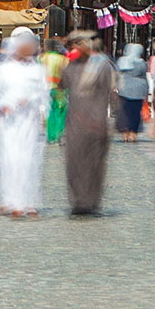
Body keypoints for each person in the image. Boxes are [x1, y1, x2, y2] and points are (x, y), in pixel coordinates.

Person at [0, 29, 49, 217]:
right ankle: (11, 200)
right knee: (10, 161)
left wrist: (40, 109)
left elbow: (44, 94)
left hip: (29, 122)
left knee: (29, 162)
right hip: (8, 124)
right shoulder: (3, 70)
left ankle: (28, 201)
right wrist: (4, 105)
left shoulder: (38, 70)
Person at [61, 31, 116, 216]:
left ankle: (91, 202)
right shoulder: (69, 67)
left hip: (96, 123)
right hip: (74, 124)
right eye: (73, 45)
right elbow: (62, 85)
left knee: (94, 166)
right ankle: (78, 202)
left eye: (79, 44)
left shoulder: (102, 67)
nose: (76, 48)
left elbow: (112, 93)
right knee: (74, 164)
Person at [115, 42, 149, 143]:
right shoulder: (141, 63)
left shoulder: (122, 61)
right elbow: (144, 75)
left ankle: (125, 133)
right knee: (135, 112)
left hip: (124, 87)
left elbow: (117, 74)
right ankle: (133, 133)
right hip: (138, 90)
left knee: (124, 112)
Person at [40, 40, 69, 144]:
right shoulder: (63, 59)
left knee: (49, 112)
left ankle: (51, 135)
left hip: (44, 88)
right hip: (59, 88)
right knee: (60, 111)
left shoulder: (41, 58)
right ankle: (58, 134)